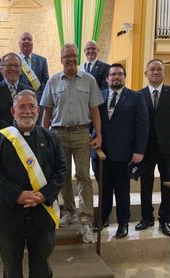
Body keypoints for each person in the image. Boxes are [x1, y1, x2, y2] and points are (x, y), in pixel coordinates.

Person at [0, 90, 67, 278]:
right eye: (22, 107)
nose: (27, 111)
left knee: (41, 266)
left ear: (38, 111)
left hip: (42, 213)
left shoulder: (52, 138)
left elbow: (61, 171)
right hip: (9, 213)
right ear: (13, 111)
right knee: (11, 268)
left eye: (32, 107)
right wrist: (17, 195)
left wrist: (44, 194)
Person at [41, 43, 103, 243]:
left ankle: (86, 220)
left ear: (78, 58)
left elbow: (95, 110)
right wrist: (43, 135)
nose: (70, 60)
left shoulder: (89, 80)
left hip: (81, 133)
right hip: (58, 134)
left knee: (84, 176)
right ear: (61, 60)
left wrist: (98, 134)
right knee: (63, 175)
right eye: (66, 57)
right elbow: (47, 111)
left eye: (73, 56)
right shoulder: (53, 81)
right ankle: (69, 211)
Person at [135, 59, 170, 237]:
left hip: (169, 149)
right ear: (146, 73)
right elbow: (135, 125)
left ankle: (165, 220)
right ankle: (146, 218)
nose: (155, 72)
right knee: (146, 185)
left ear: (164, 72)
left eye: (159, 69)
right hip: (146, 149)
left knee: (167, 185)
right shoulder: (138, 95)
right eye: (152, 70)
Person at [97, 64, 148, 238]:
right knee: (103, 189)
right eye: (112, 75)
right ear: (107, 78)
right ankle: (103, 219)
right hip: (101, 155)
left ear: (124, 77)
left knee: (121, 190)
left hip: (124, 153)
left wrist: (139, 151)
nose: (116, 77)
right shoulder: (99, 96)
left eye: (119, 74)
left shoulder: (136, 97)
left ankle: (123, 223)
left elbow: (142, 126)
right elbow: (92, 121)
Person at [0, 52, 33, 137]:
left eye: (16, 65)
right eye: (9, 65)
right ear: (1, 69)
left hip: (26, 141)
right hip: (0, 140)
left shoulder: (30, 92)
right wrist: (14, 128)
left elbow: (35, 115)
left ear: (21, 70)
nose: (13, 68)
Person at [18, 32, 49, 121]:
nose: (27, 41)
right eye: (24, 39)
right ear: (19, 43)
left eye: (29, 39)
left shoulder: (42, 60)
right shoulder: (15, 60)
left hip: (37, 103)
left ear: (33, 43)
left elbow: (45, 82)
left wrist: (39, 99)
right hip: (19, 102)